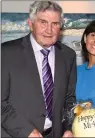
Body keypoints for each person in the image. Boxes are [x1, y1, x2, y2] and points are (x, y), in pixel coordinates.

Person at [1, 1, 76, 137]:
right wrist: (27, 131)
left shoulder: (68, 55)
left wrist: (68, 128)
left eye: (55, 24)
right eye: (43, 22)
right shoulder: (6, 53)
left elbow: (69, 99)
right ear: (30, 24)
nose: (49, 30)